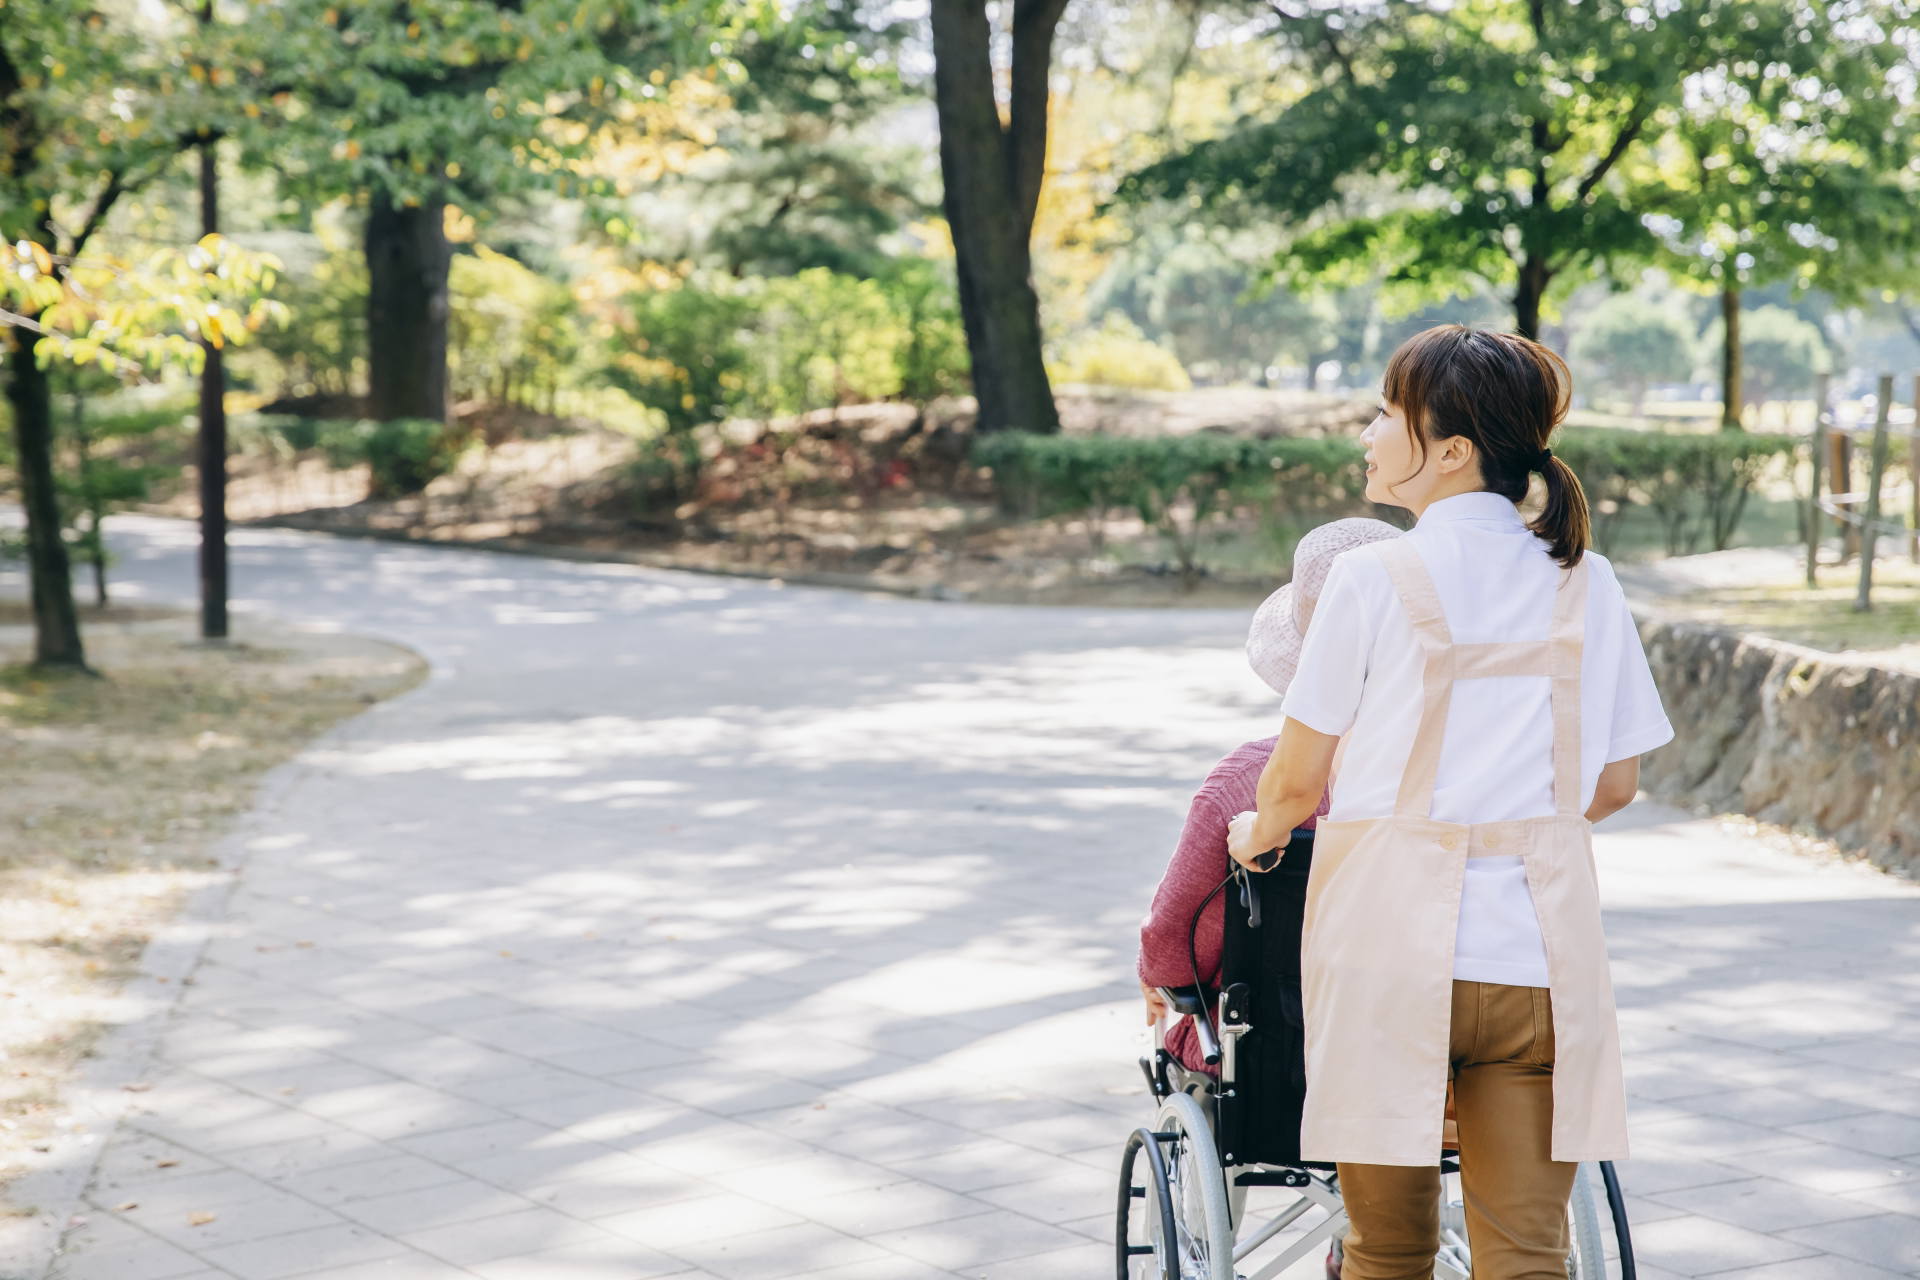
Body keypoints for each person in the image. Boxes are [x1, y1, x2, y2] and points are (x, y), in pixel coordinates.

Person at [1226, 325, 1673, 1280]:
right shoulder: (1586, 580)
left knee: (1387, 1252)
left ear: (1454, 450)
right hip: (1538, 957)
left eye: (1389, 413)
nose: (1370, 432)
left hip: (1387, 950)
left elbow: (1296, 783)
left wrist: (1253, 834)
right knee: (1528, 1254)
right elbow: (1616, 786)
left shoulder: (1370, 576)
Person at [1136, 518, 1402, 1078]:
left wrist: (1161, 979)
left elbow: (1176, 941)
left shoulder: (1248, 780)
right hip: (1419, 1050)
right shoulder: (1464, 775)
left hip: (1280, 1054)